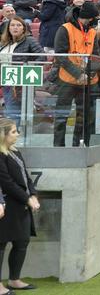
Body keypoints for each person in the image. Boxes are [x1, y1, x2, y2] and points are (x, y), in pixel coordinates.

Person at [53, 2, 100, 147]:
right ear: (91, 18)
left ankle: (78, 146)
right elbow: (60, 56)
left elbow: (96, 56)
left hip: (88, 81)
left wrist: (89, 73)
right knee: (61, 116)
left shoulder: (93, 32)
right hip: (67, 79)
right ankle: (59, 149)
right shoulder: (65, 29)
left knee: (84, 118)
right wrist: (78, 73)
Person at [0, 118, 40, 293]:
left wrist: (33, 195)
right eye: (14, 132)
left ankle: (14, 279)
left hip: (21, 206)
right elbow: (7, 183)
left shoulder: (15, 152)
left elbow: (26, 177)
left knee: (22, 241)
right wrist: (27, 199)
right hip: (7, 205)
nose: (17, 134)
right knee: (1, 244)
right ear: (3, 135)